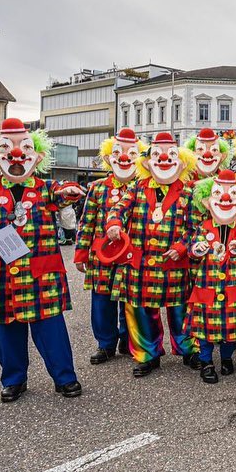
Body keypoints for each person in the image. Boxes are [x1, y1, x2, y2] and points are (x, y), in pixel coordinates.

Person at [0, 118, 85, 402]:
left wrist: (69, 192)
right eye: (7, 148)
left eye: (24, 148)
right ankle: (14, 379)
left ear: (38, 155)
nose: (16, 154)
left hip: (39, 273)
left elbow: (63, 191)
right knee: (4, 329)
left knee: (50, 329)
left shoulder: (46, 189)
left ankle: (64, 378)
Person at [105, 131, 200, 378]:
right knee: (141, 312)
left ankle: (188, 350)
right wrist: (114, 223)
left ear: (181, 163)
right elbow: (118, 209)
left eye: (171, 156)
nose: (164, 160)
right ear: (147, 162)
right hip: (141, 265)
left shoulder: (189, 192)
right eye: (158, 156)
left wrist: (181, 247)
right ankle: (148, 355)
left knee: (181, 310)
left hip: (175, 264)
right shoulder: (137, 188)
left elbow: (197, 228)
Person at [75, 128, 143, 364]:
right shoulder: (98, 188)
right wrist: (81, 253)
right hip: (102, 256)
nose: (124, 159)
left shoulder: (143, 188)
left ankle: (127, 339)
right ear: (107, 158)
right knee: (102, 301)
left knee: (130, 300)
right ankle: (105, 344)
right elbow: (86, 222)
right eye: (118, 153)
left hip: (131, 255)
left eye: (131, 154)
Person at [185, 170, 236, 384]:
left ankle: (226, 358)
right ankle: (206, 361)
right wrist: (197, 249)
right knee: (205, 327)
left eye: (232, 195)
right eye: (219, 195)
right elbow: (192, 251)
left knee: (231, 325)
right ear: (208, 201)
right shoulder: (203, 225)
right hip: (207, 284)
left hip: (234, 284)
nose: (225, 199)